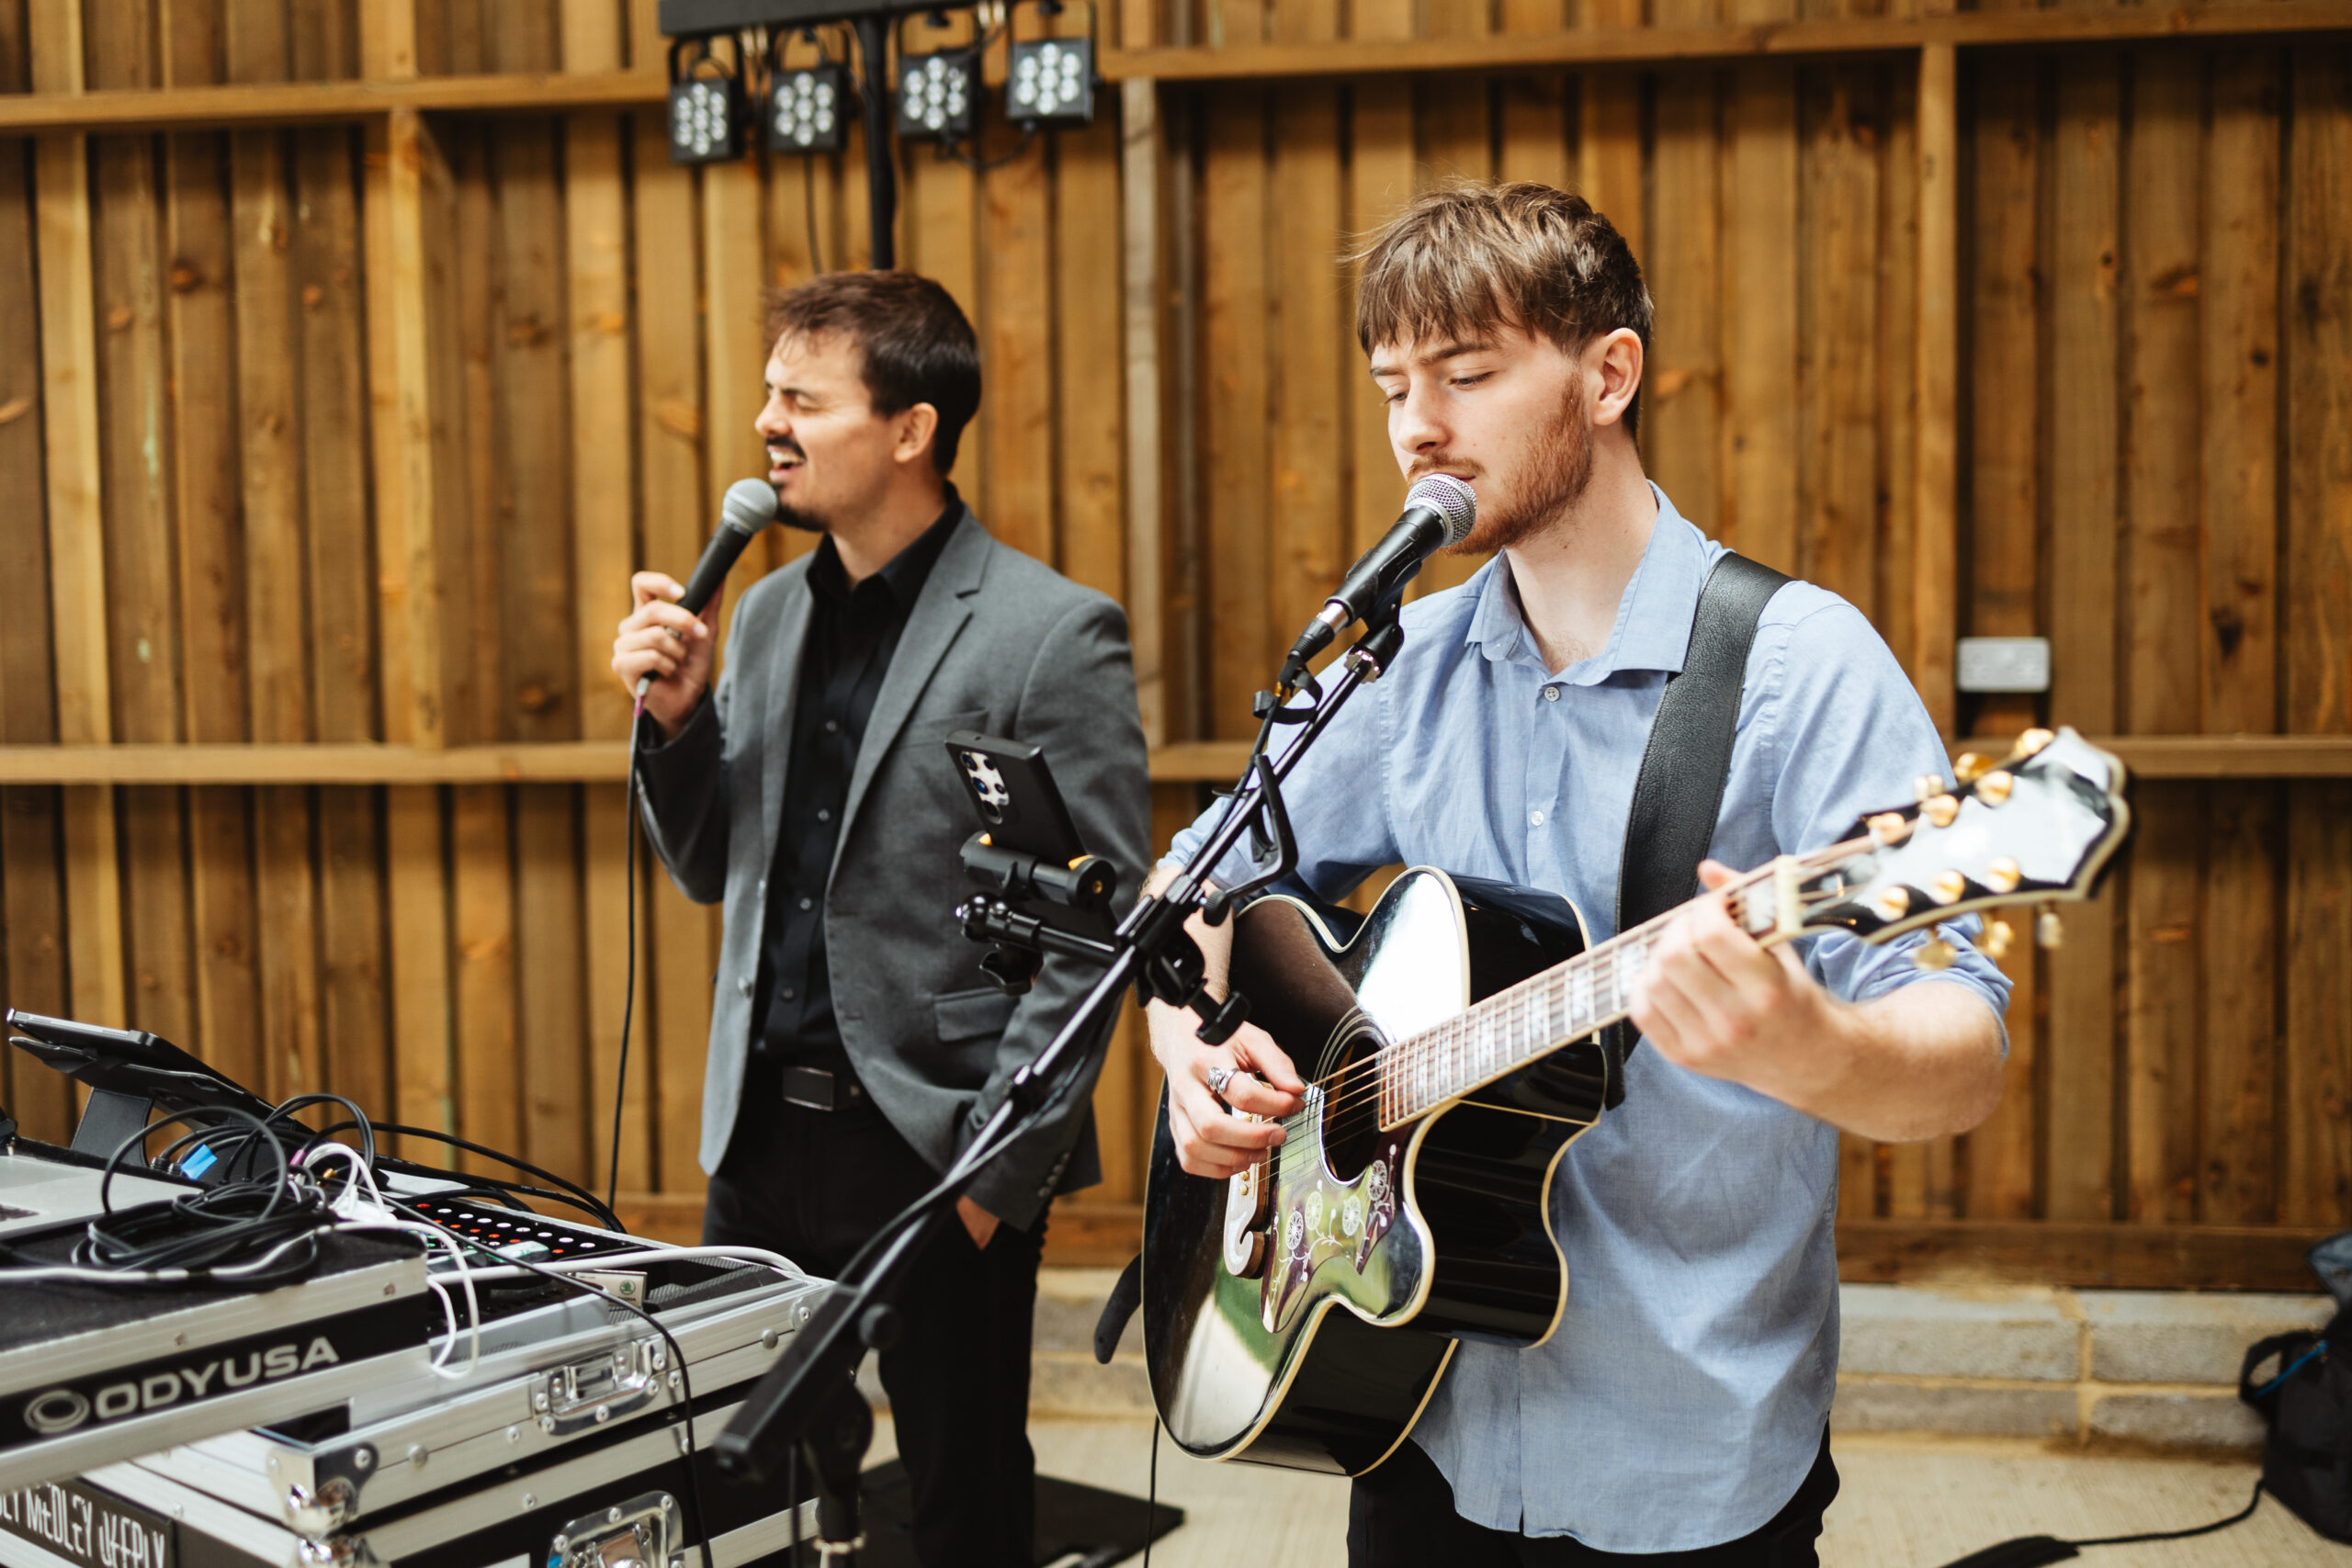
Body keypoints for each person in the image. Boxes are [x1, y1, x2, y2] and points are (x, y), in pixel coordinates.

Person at [1145, 183, 2014, 1564]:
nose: (1417, 426)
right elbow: (1189, 892)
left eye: (1467, 375)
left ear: (1610, 375)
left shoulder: (1799, 664)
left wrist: (1815, 1045)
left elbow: (1965, 1051)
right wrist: (1187, 1049)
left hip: (1688, 1450)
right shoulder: (1399, 665)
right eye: (1391, 386)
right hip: (1412, 1401)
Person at [612, 269, 1150, 1568]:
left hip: (931, 1145)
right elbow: (708, 868)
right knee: (751, 1487)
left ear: (910, 429)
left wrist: (995, 1178)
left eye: (803, 398)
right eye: (767, 395)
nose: (767, 425)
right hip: (756, 1136)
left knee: (962, 1493)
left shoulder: (1046, 632)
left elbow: (1102, 924)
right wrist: (676, 727)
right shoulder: (768, 615)